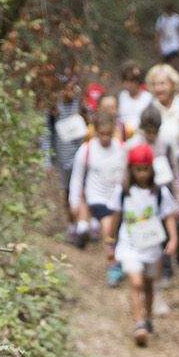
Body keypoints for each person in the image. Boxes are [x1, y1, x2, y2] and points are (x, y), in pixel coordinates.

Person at [108, 141, 178, 346]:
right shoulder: (123, 192)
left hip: (152, 246)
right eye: (138, 170)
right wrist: (109, 241)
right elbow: (115, 216)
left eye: (146, 169)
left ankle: (147, 318)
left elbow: (168, 217)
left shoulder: (159, 193)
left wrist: (173, 238)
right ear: (131, 169)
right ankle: (139, 323)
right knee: (136, 282)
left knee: (148, 284)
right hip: (129, 245)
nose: (142, 174)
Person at [67, 110, 129, 275]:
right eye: (102, 134)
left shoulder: (121, 149)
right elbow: (77, 178)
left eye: (109, 134)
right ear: (95, 131)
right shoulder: (86, 150)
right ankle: (113, 265)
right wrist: (74, 202)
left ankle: (119, 258)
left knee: (117, 232)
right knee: (108, 228)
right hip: (96, 196)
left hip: (116, 197)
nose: (105, 138)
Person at [45, 75, 88, 245]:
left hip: (82, 155)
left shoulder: (80, 103)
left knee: (83, 189)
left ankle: (83, 224)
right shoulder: (54, 108)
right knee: (68, 190)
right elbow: (46, 133)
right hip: (63, 158)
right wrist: (47, 159)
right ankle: (72, 224)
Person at [146, 64, 179, 201]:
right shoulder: (149, 112)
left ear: (173, 84)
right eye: (155, 84)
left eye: (162, 83)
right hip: (162, 172)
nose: (159, 88)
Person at [117, 62, 153, 132]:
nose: (129, 84)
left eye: (132, 81)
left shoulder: (148, 98)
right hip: (123, 133)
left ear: (138, 81)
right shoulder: (121, 96)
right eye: (126, 81)